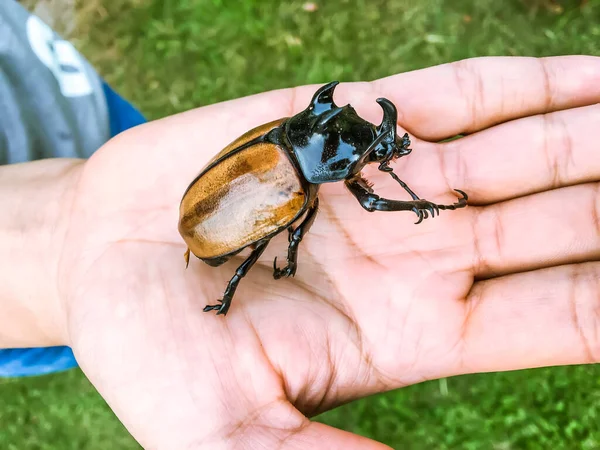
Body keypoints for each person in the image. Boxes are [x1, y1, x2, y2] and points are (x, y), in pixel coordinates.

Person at [2, 1, 600, 448]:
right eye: (367, 155)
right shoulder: (294, 183)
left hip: (92, 145)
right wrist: (420, 205)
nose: (375, 152)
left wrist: (68, 216)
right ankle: (238, 281)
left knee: (287, 228)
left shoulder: (294, 145)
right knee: (281, 230)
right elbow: (348, 206)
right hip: (209, 224)